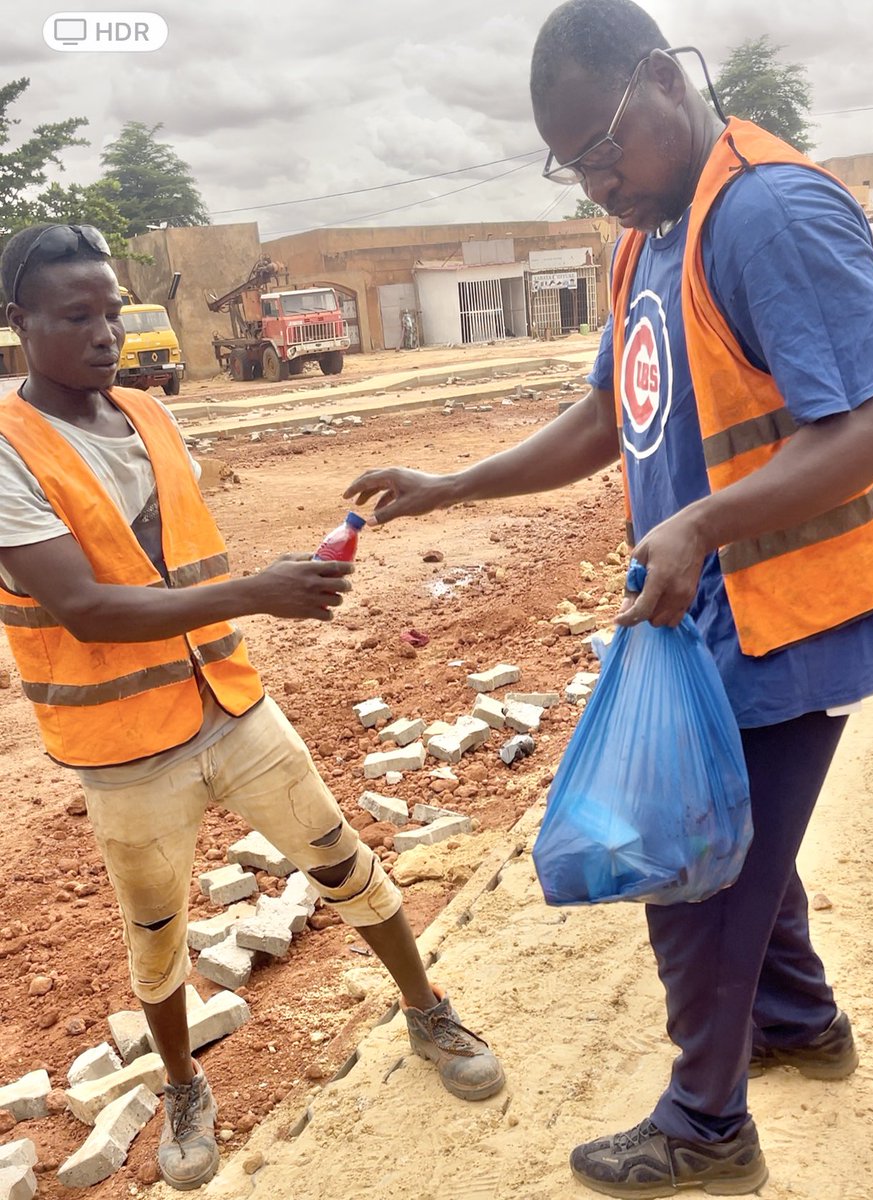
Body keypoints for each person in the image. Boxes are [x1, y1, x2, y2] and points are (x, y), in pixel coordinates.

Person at [344, 1, 873, 1194]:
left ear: (664, 78)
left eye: (606, 147)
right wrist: (449, 482)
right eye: (573, 164)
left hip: (782, 600)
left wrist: (701, 522)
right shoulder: (647, 233)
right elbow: (613, 415)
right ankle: (799, 1024)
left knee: (686, 861)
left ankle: (705, 1124)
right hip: (710, 603)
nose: (597, 179)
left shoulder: (764, 212)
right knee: (735, 834)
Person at [0, 224, 504, 1193]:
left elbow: (174, 552)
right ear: (19, 323)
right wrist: (257, 595)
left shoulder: (149, 414)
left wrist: (316, 553)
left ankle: (426, 1007)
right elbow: (86, 608)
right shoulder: (7, 449)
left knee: (340, 857)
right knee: (154, 932)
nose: (106, 333)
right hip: (125, 746)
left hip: (229, 701)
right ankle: (186, 1086)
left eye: (113, 311)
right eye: (78, 316)